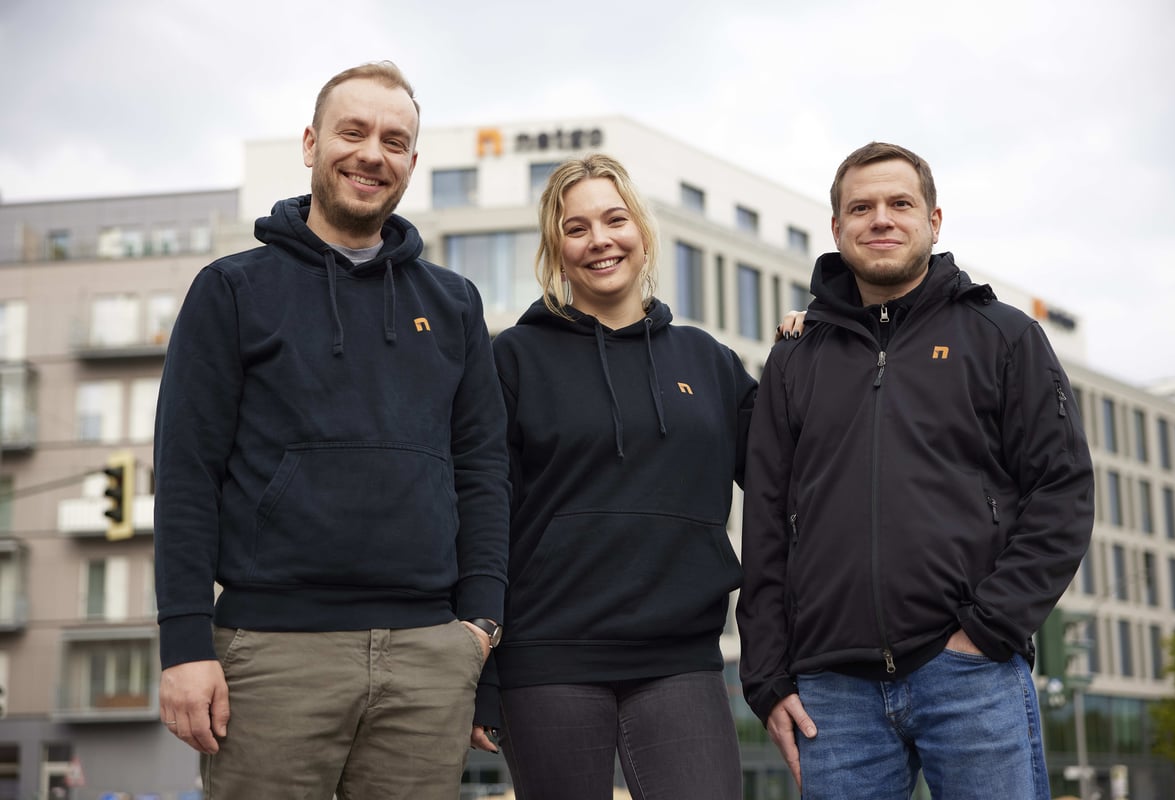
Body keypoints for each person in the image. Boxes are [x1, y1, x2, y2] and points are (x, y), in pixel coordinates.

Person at [153, 61, 510, 800]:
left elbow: (481, 472)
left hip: (427, 654)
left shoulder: (454, 304)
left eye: (394, 140)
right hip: (273, 652)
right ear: (312, 142)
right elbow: (187, 472)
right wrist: (185, 645)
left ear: (412, 162)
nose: (372, 154)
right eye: (353, 132)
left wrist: (479, 628)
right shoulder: (232, 290)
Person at [736, 141, 1094, 799]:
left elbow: (1061, 491)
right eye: (861, 207)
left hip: (970, 673)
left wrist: (987, 629)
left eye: (900, 203)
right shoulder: (794, 359)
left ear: (933, 220)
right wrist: (766, 678)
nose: (881, 219)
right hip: (829, 691)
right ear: (837, 228)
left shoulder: (1003, 336)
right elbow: (764, 524)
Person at [468, 154, 762, 800]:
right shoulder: (511, 360)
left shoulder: (709, 362)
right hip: (548, 658)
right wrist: (481, 677)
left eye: (614, 219)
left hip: (680, 656)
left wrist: (811, 345)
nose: (599, 240)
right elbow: (483, 516)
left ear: (642, 231)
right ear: (556, 248)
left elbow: (789, 476)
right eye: (576, 228)